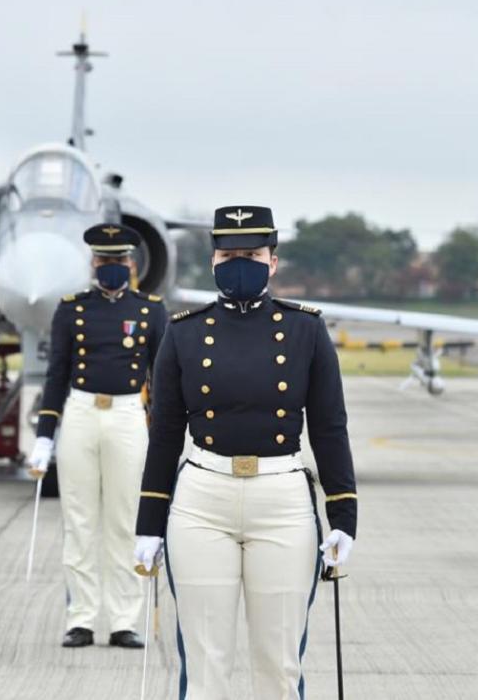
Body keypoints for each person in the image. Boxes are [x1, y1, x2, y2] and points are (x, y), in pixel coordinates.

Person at [133, 205, 358, 700]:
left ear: (273, 261)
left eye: (252, 254)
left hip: (281, 497)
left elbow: (328, 426)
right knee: (206, 662)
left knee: (278, 663)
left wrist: (343, 514)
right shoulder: (184, 331)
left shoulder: (305, 330)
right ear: (213, 260)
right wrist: (149, 523)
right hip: (201, 498)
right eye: (230, 254)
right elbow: (165, 431)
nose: (241, 263)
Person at [27, 223, 168, 649]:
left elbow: (161, 380)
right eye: (104, 261)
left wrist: (168, 438)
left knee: (125, 519)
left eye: (118, 260)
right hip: (82, 412)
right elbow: (56, 376)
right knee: (79, 520)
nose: (111, 267)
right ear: (93, 263)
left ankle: (124, 619)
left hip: (127, 414)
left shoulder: (150, 310)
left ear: (131, 263)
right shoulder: (71, 309)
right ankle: (82, 618)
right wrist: (44, 435)